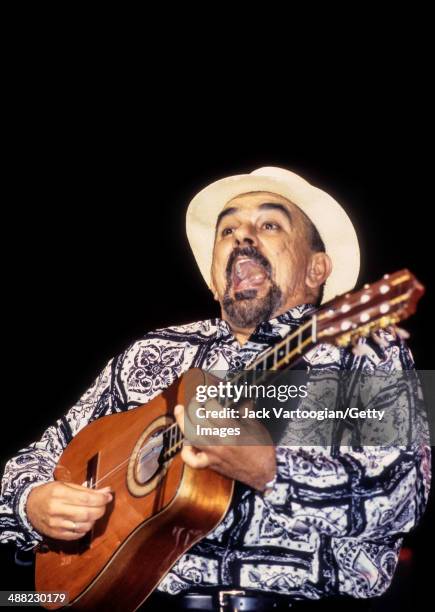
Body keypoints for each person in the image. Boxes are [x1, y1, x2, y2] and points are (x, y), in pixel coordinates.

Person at [0, 167, 430, 611]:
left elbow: (403, 496)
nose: (242, 236)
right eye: (227, 229)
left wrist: (270, 471)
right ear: (212, 276)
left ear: (316, 269)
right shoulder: (150, 353)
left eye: (269, 224)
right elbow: (34, 461)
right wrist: (32, 503)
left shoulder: (367, 354)